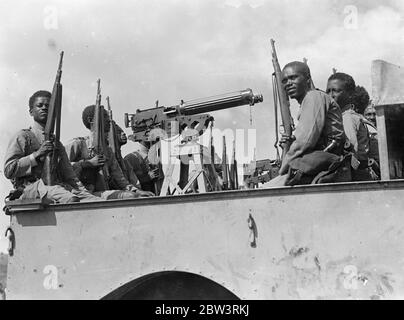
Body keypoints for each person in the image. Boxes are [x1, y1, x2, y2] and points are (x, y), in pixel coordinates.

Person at [4, 90, 100, 203]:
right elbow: (8, 170)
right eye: (39, 105)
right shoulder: (22, 137)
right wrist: (36, 155)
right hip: (31, 190)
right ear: (31, 111)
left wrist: (87, 196)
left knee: (96, 201)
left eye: (48, 106)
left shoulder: (56, 143)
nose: (44, 108)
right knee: (69, 198)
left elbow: (70, 177)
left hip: (57, 188)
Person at [270, 61, 347, 186]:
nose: (288, 83)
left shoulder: (313, 97)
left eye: (293, 77)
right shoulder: (309, 100)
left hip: (326, 167)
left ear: (307, 79)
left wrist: (283, 168)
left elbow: (304, 141)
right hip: (319, 166)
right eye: (284, 81)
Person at [64, 105, 154, 199]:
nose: (108, 120)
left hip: (100, 194)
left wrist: (137, 191)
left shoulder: (107, 151)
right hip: (79, 195)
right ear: (91, 120)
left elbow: (120, 179)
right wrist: (86, 164)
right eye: (104, 116)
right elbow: (61, 168)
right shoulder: (78, 144)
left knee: (133, 196)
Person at [326, 73, 373, 181]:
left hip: (353, 176)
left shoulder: (348, 118)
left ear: (350, 95)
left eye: (336, 91)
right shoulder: (341, 117)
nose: (331, 95)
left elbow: (349, 154)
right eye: (328, 91)